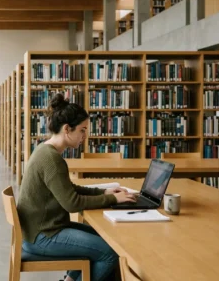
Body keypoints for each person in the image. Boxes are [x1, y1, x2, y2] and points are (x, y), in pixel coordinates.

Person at [17, 94, 136, 281]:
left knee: (106, 238)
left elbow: (69, 189)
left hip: (41, 230)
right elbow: (72, 203)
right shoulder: (51, 159)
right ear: (67, 129)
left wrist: (103, 192)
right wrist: (113, 199)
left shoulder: (44, 150)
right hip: (43, 236)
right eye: (82, 130)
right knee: (110, 252)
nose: (84, 136)